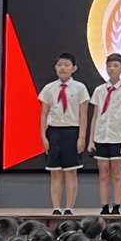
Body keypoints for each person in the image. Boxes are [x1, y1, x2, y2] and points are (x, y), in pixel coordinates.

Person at [37, 52, 90, 215]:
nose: (62, 68)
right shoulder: (49, 88)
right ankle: (56, 207)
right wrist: (43, 136)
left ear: (74, 68)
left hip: (72, 131)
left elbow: (83, 114)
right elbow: (44, 113)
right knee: (55, 172)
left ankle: (69, 207)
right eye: (59, 65)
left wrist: (82, 137)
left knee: (71, 171)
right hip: (53, 132)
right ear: (55, 67)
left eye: (66, 65)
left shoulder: (80, 88)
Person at [87, 53, 121, 215]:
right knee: (103, 174)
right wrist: (91, 140)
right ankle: (104, 206)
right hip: (101, 136)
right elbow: (95, 116)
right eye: (109, 66)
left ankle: (116, 206)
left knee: (116, 174)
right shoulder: (99, 90)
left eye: (115, 66)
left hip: (117, 137)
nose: (112, 69)